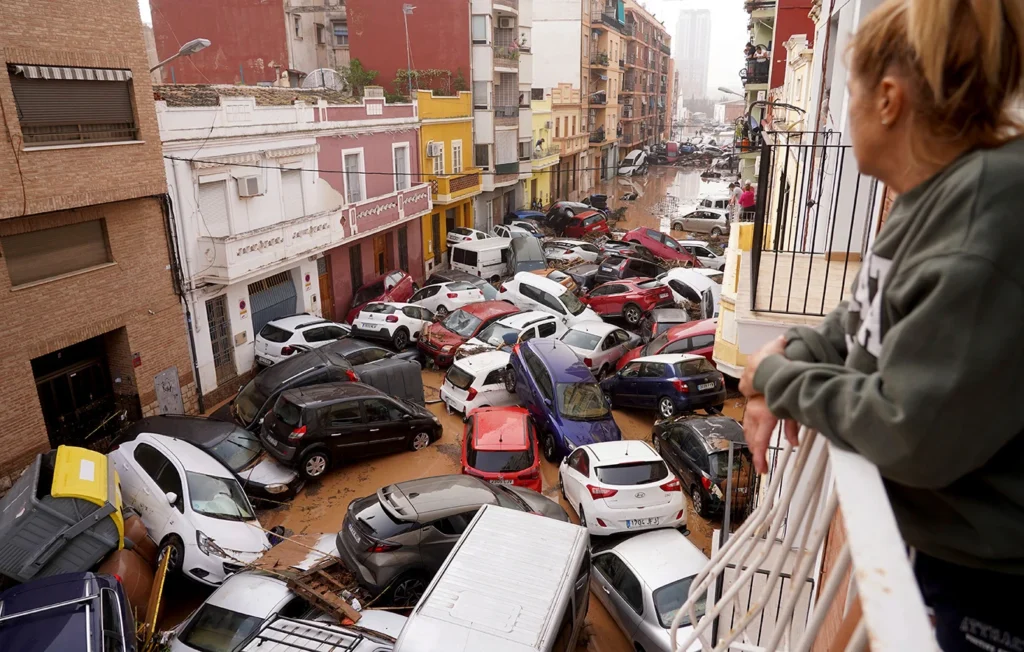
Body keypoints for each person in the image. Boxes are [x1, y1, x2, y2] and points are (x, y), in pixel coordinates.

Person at [737, 0, 1023, 649]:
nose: (847, 114)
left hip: (993, 588)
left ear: (889, 100)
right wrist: (790, 355)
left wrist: (775, 376)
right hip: (949, 555)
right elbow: (858, 318)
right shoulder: (934, 197)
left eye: (852, 94)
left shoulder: (985, 219)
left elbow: (909, 429)